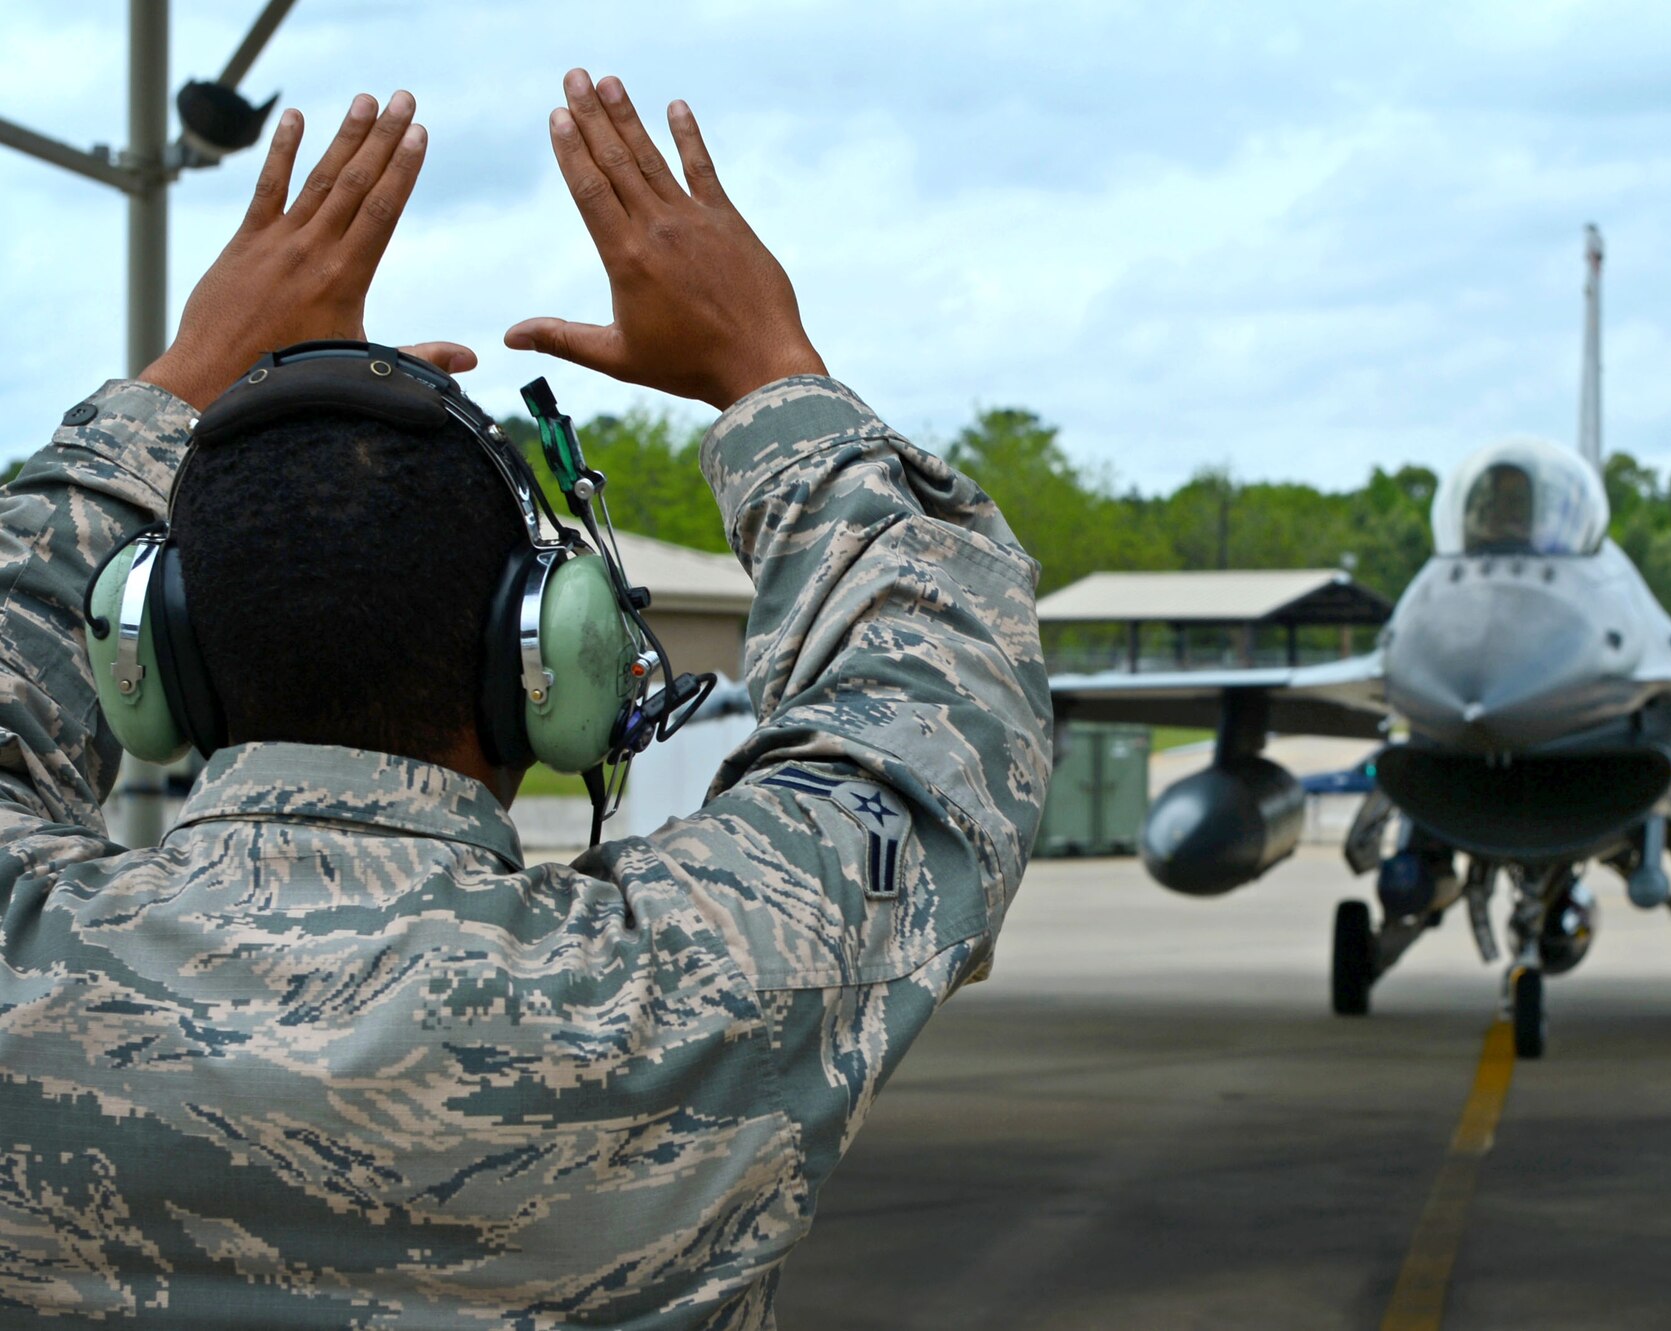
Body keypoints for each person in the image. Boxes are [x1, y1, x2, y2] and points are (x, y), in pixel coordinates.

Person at [0, 70, 1051, 1327]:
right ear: (544, 664)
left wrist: (183, 380)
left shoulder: (28, 967)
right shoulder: (708, 978)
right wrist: (768, 371)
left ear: (153, 659)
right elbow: (935, 676)